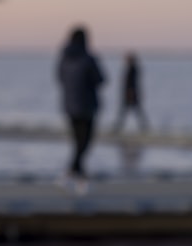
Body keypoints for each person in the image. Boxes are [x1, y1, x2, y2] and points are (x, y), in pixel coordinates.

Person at [57, 26, 105, 190]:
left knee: (78, 141)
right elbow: (100, 79)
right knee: (84, 142)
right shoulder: (88, 58)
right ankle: (72, 171)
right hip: (87, 105)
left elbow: (59, 78)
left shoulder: (64, 58)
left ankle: (79, 174)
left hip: (70, 105)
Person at [112, 52, 149, 133]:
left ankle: (144, 126)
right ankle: (143, 126)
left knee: (129, 111)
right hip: (130, 93)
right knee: (128, 111)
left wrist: (130, 92)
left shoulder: (133, 69)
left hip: (130, 94)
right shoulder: (131, 68)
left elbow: (132, 82)